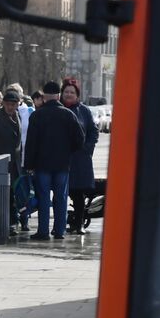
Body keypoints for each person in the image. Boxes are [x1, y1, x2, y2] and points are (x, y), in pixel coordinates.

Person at [22, 79, 85, 240]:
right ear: (58, 96)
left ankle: (43, 231)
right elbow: (80, 139)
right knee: (61, 197)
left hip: (42, 165)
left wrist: (29, 164)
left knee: (43, 197)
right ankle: (59, 230)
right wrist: (68, 151)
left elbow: (31, 143)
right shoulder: (68, 115)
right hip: (63, 164)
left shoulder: (37, 115)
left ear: (44, 96)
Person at [0, 86, 24, 238]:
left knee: (13, 195)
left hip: (14, 164)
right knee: (4, 197)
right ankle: (7, 224)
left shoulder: (17, 117)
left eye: (13, 105)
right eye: (8, 104)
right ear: (3, 104)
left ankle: (14, 222)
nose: (10, 107)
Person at [61, 78, 99, 233]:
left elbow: (93, 131)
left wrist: (87, 148)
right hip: (61, 157)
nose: (69, 94)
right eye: (66, 92)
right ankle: (60, 224)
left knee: (78, 193)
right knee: (60, 191)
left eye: (72, 92)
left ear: (77, 95)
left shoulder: (84, 111)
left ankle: (79, 223)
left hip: (80, 158)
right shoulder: (58, 109)